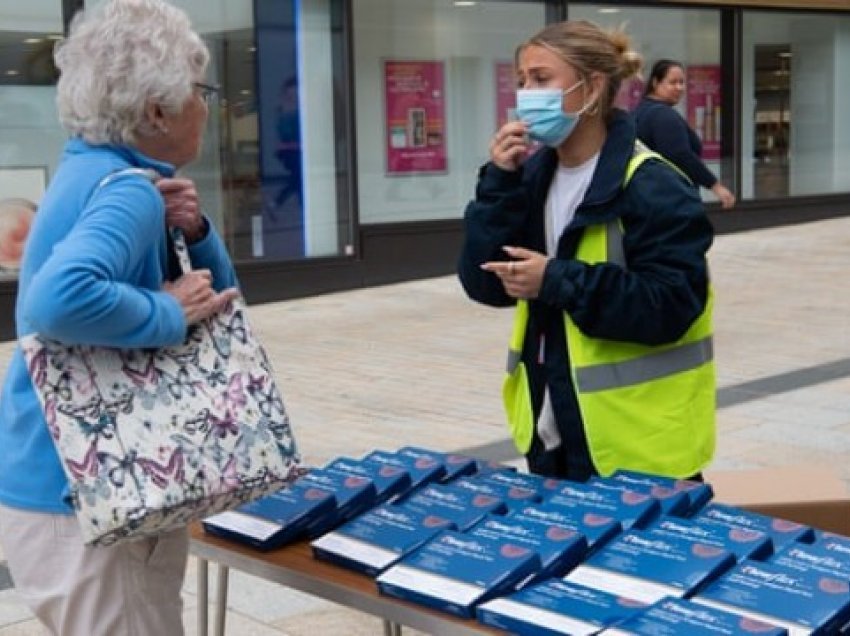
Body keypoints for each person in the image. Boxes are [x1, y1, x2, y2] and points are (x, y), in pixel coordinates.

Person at [0, 1, 240, 633]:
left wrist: (198, 232)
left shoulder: (103, 175)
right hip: (89, 494)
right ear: (157, 110)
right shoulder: (129, 189)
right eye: (200, 89)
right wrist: (167, 310)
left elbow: (222, 303)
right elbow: (53, 303)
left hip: (80, 487)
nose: (207, 106)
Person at [458, 20, 715, 483]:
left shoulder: (653, 183)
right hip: (553, 439)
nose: (525, 94)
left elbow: (672, 304)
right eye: (521, 81)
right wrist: (499, 183)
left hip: (642, 452)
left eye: (540, 79)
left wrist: (557, 279)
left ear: (593, 88)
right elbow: (485, 284)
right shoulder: (532, 175)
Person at [633, 59, 736, 209]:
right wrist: (715, 186)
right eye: (673, 82)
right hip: (671, 199)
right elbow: (679, 154)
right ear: (655, 83)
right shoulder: (662, 115)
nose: (679, 88)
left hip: (648, 197)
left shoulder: (641, 112)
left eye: (682, 82)